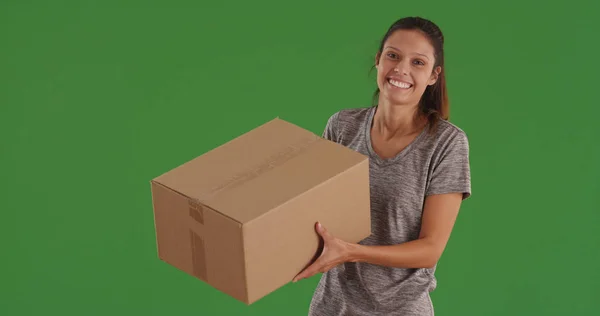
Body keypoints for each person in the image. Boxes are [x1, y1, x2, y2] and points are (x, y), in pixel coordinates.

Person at [292, 16, 472, 315]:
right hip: (333, 305)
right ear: (378, 60)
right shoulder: (343, 126)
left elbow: (430, 250)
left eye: (418, 62)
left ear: (433, 75)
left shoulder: (445, 143)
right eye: (393, 56)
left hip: (400, 309)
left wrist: (351, 252)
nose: (401, 69)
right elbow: (311, 210)